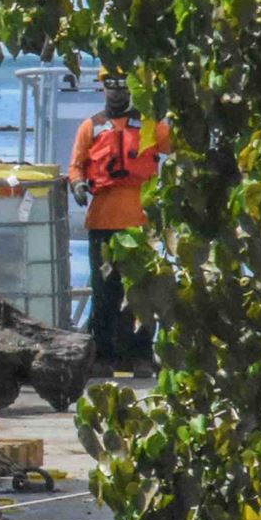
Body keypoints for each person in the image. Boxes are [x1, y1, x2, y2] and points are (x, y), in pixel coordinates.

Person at [69, 71, 169, 373]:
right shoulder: (91, 127)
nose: (116, 92)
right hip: (103, 224)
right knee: (104, 293)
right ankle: (103, 356)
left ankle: (141, 354)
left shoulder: (151, 125)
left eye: (122, 85)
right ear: (102, 88)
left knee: (144, 292)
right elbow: (76, 167)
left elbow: (181, 145)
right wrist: (77, 186)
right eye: (110, 85)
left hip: (142, 226)